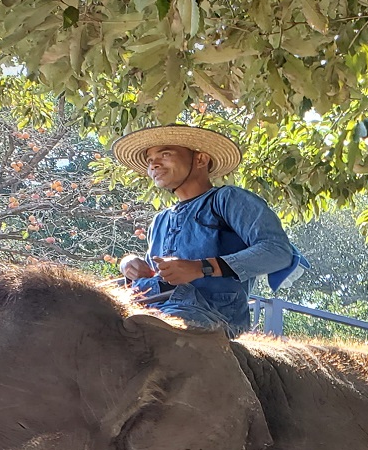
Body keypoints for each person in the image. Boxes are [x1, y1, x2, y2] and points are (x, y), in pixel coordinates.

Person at [110, 123, 300, 336]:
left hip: (213, 320)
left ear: (200, 159)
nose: (153, 164)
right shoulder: (160, 221)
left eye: (165, 154)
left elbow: (278, 252)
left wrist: (203, 267)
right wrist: (129, 265)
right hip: (154, 308)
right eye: (149, 160)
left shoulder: (227, 199)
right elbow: (152, 272)